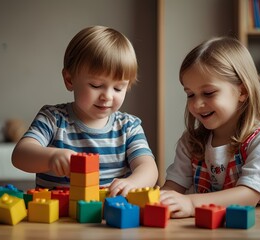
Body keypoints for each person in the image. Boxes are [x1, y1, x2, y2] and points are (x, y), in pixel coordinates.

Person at [12, 26, 158, 197]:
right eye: (96, 85)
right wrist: (51, 157)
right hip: (56, 218)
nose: (107, 96)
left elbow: (148, 168)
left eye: (118, 88)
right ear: (69, 79)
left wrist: (133, 183)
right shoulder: (52, 118)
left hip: (106, 218)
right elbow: (20, 155)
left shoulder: (129, 127)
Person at [160, 37, 260, 219]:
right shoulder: (191, 142)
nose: (197, 104)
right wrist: (159, 201)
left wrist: (190, 203)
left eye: (208, 93)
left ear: (242, 92)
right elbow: (173, 186)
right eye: (190, 94)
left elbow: (248, 196)